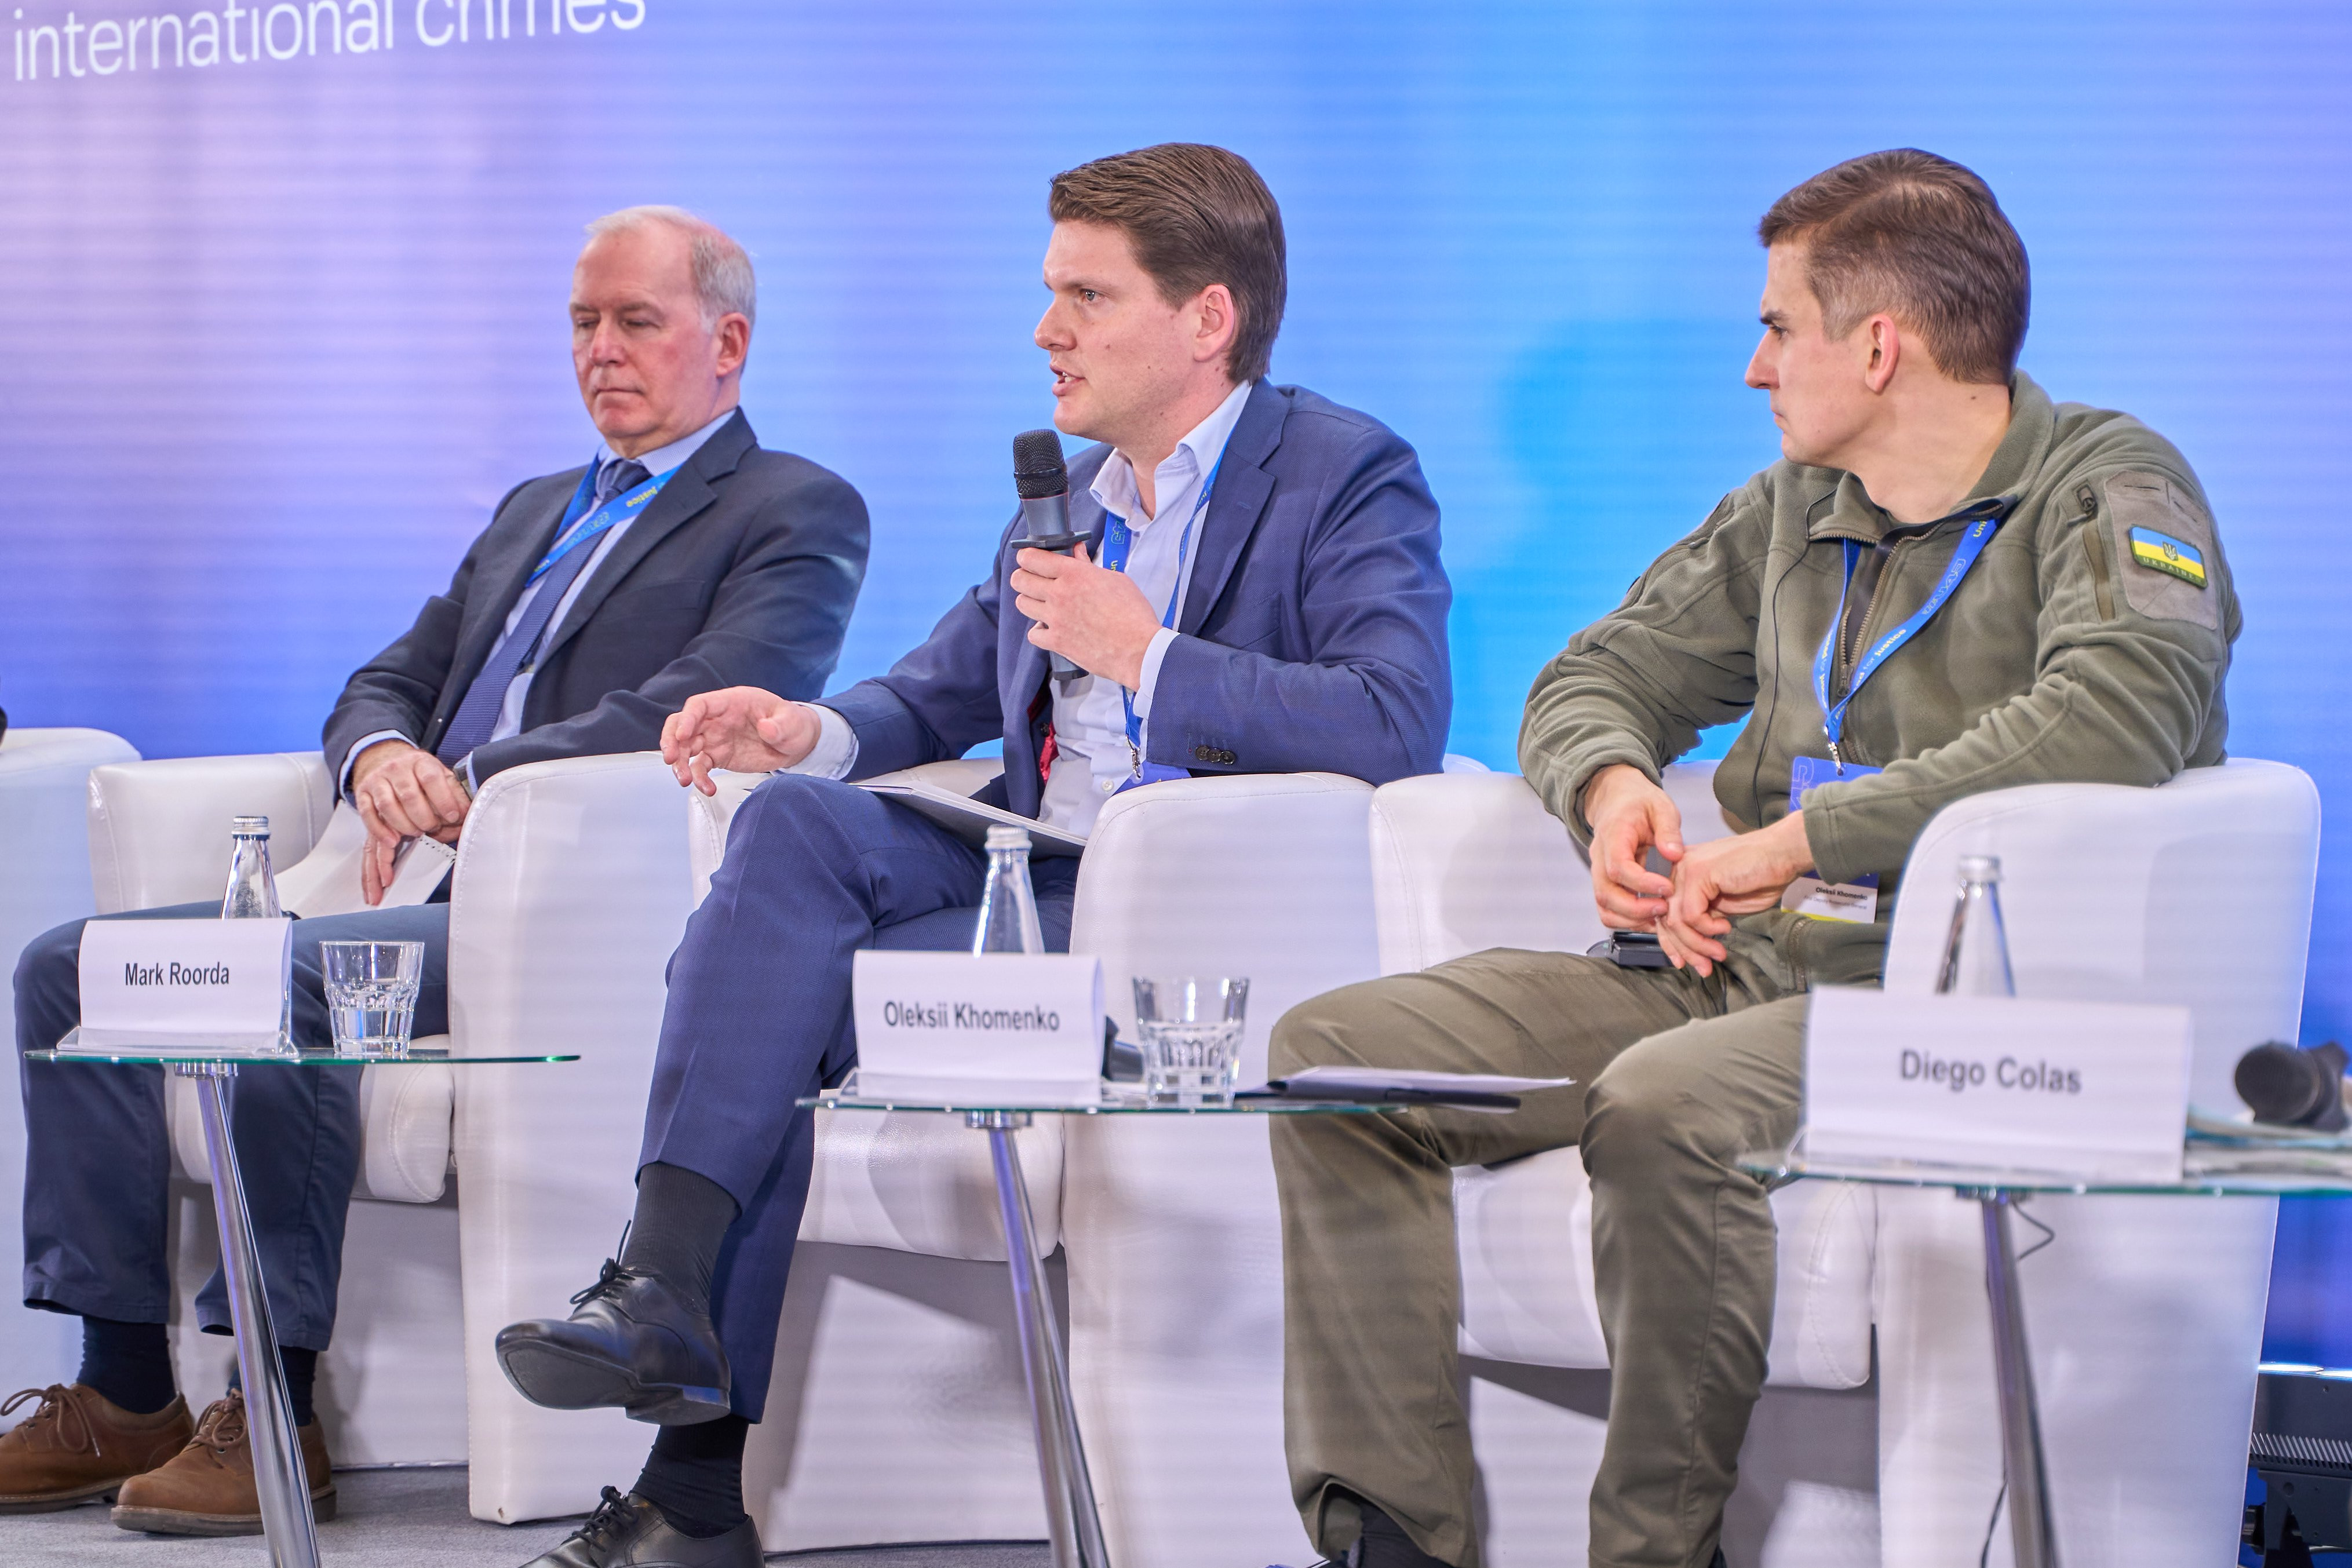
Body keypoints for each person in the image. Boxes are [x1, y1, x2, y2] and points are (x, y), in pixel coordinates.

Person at [1265, 149, 2238, 1568]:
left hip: (1933, 1008)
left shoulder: (2108, 486)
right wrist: (1609, 791)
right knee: (1338, 1058)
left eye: (1778, 326)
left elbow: (2114, 716)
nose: (1752, 365)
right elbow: (1593, 672)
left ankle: (1651, 1552)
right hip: (1729, 965)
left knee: (1664, 1103)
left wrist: (1800, 840)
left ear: (1877, 346)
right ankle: (1389, 1542)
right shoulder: (1793, 505)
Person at [491, 142, 1453, 1568]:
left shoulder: (1340, 471)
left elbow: (1392, 717)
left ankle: (688, 1486)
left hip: (1180, 919)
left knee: (775, 995)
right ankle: (663, 1291)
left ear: (1206, 319)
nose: (1044, 330)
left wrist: (1149, 657)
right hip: (1028, 867)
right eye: (1048, 292)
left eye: (1085, 297)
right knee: (791, 826)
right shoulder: (1065, 494)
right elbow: (939, 689)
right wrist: (806, 728)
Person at [4, 206, 869, 1535]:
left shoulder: (794, 507)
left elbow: (708, 700)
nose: (600, 350)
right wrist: (381, 759)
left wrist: (475, 781)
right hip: (395, 869)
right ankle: (123, 1390)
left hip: (552, 906)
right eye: (583, 322)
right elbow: (385, 676)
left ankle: (274, 1407)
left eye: (636, 321)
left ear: (728, 341)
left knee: (296, 982)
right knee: (67, 967)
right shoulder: (538, 506)